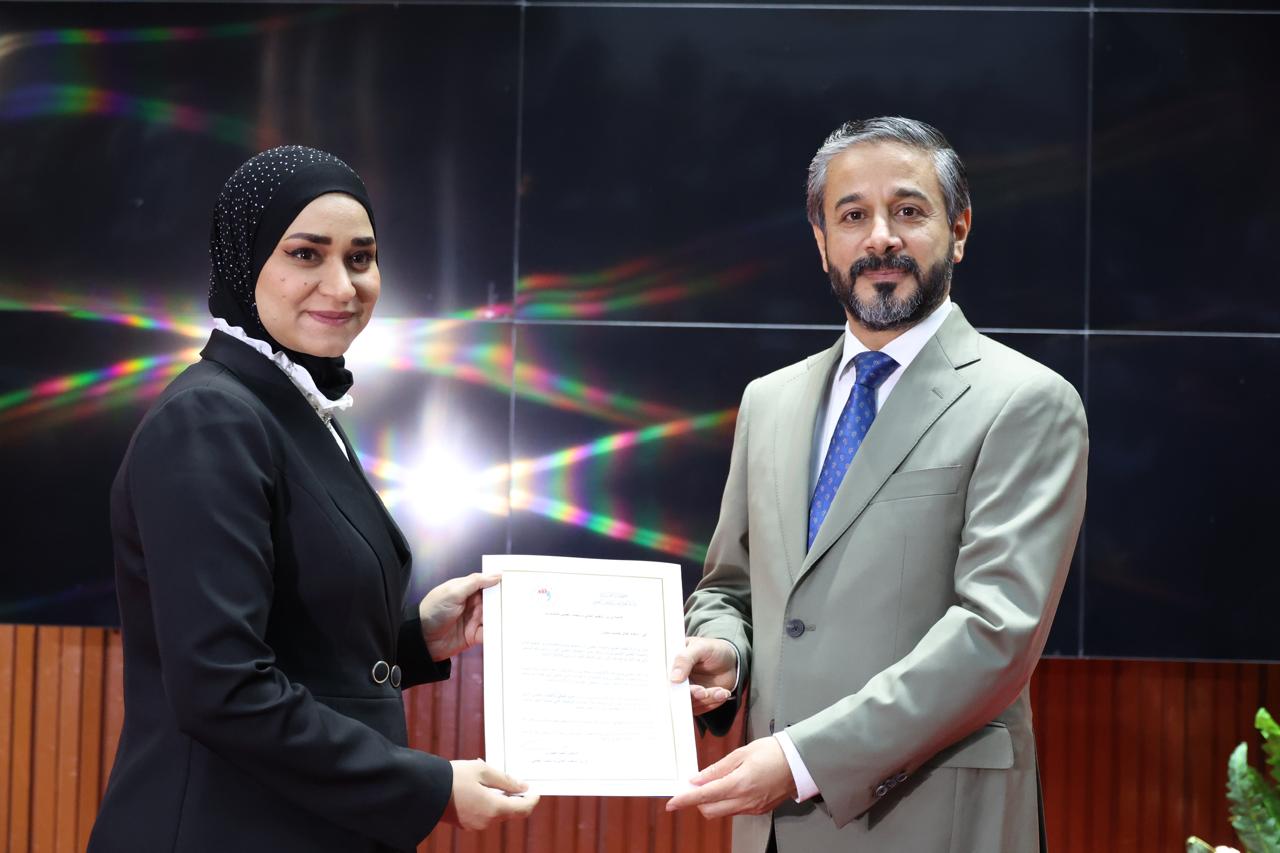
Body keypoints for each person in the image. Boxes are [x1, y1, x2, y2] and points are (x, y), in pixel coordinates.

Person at [88, 146, 538, 853]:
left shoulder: (288, 404)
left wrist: (419, 636)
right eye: (305, 254)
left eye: (361, 258)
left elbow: (289, 638)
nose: (341, 285)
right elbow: (223, 687)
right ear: (245, 262)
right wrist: (430, 788)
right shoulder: (211, 419)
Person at [665, 118, 1088, 852]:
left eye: (909, 210)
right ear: (822, 240)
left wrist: (802, 760)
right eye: (853, 214)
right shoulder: (769, 401)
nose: (881, 237)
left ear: (959, 230)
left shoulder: (1026, 402)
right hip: (769, 829)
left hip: (933, 821)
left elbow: (995, 634)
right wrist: (727, 654)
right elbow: (731, 588)